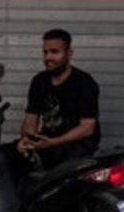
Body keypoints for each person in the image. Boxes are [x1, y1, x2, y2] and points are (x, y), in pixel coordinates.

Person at [16, 28, 100, 171]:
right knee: (6, 157)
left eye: (55, 52)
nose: (48, 57)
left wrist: (54, 142)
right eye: (45, 52)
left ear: (69, 54)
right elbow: (31, 117)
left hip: (75, 148)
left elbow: (87, 127)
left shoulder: (84, 82)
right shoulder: (39, 81)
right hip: (46, 143)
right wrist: (26, 141)